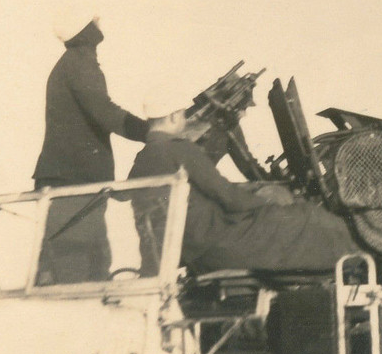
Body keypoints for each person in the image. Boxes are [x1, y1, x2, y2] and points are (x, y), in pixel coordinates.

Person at [128, 109, 361, 275]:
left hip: (192, 249)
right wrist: (268, 205)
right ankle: (359, 259)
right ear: (173, 117)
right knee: (306, 217)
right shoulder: (181, 150)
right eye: (182, 116)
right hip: (218, 245)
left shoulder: (142, 159)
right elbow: (228, 197)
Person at [33, 10, 151, 284]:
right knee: (75, 269)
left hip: (72, 179)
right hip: (74, 181)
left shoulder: (74, 63)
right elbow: (105, 112)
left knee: (88, 263)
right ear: (84, 29)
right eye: (92, 18)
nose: (99, 19)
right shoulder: (79, 63)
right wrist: (154, 131)